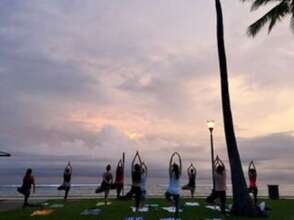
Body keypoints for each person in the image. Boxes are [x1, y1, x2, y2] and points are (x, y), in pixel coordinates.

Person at [165, 152, 182, 219]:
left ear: (173, 168)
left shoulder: (171, 174)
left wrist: (171, 157)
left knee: (166, 195)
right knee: (177, 207)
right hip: (177, 192)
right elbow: (181, 165)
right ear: (178, 168)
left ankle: (172, 201)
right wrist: (179, 157)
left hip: (170, 191)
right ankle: (175, 218)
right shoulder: (179, 174)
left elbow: (169, 165)